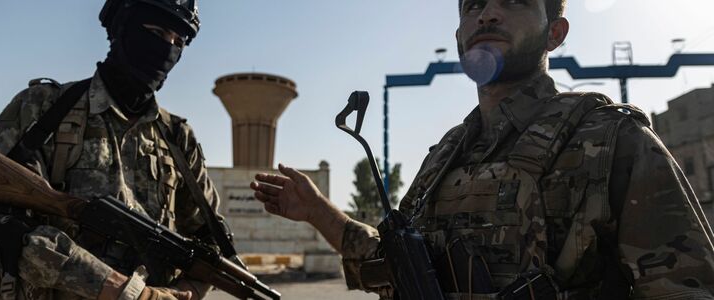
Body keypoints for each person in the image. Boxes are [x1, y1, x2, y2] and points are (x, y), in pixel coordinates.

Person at [250, 0, 714, 298]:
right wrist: (317, 212)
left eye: (512, 1)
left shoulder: (614, 140)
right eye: (472, 6)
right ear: (458, 37)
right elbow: (397, 265)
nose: (486, 14)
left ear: (555, 32)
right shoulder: (443, 157)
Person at [0, 1, 224, 299]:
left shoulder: (179, 138)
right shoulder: (43, 108)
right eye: (156, 31)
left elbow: (209, 242)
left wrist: (183, 293)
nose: (167, 48)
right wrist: (118, 290)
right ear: (122, 28)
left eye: (178, 42)